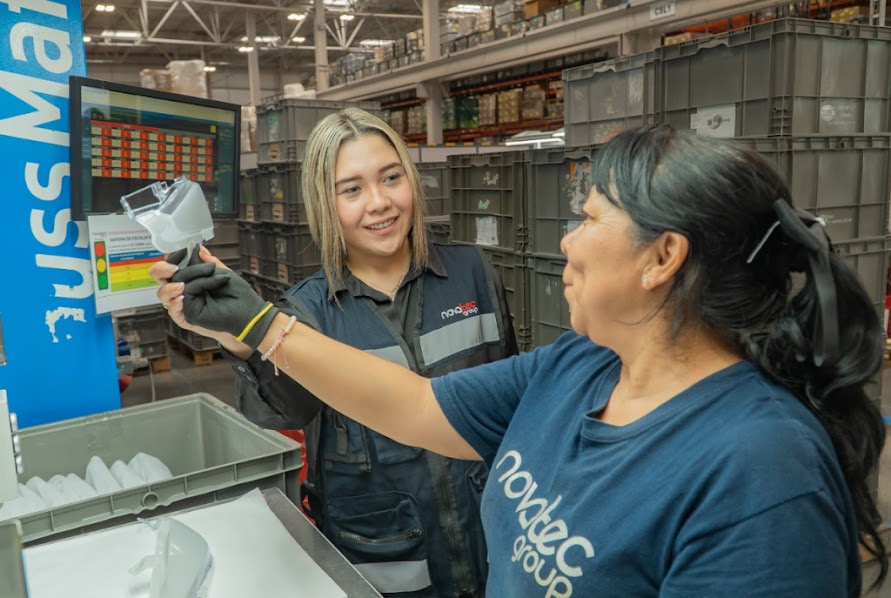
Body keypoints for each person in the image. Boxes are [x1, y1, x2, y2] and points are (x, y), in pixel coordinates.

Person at [155, 124, 888, 596]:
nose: (565, 241)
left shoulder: (759, 474)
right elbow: (414, 405)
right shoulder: (581, 366)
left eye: (589, 218)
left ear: (661, 257)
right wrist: (259, 324)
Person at [152, 108, 518, 597]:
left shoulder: (472, 272)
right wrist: (240, 336)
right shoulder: (306, 311)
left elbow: (510, 403)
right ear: (324, 204)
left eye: (392, 178)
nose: (379, 203)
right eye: (352, 189)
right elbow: (285, 409)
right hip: (387, 566)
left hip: (493, 546)